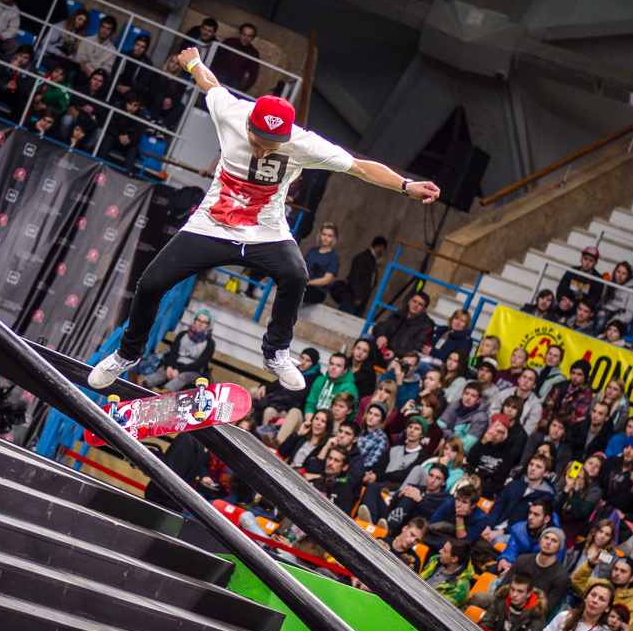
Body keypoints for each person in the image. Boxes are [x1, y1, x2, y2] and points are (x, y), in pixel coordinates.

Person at [87, 50, 437, 391]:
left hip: (265, 231)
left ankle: (276, 353)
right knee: (151, 283)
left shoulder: (304, 144)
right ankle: (127, 354)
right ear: (249, 124)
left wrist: (406, 185)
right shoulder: (231, 112)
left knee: (296, 275)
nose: (263, 150)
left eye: (273, 145)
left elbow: (360, 167)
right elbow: (210, 83)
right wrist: (193, 62)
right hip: (211, 225)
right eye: (259, 141)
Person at [142, 311, 214, 392]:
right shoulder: (183, 335)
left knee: (183, 377)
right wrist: (170, 366)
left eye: (204, 322)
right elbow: (173, 352)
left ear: (208, 325)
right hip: (175, 364)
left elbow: (200, 363)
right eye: (199, 320)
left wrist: (179, 370)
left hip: (193, 371)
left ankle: (164, 393)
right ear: (194, 321)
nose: (200, 324)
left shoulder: (210, 343)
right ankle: (142, 383)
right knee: (163, 372)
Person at [478, 571, 546, 631]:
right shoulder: (501, 600)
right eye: (512, 589)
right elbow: (486, 623)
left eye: (520, 591)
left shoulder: (536, 614)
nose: (514, 594)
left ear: (528, 594)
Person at [373, 291, 436, 363]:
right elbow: (381, 326)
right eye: (414, 301)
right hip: (384, 348)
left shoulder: (427, 325)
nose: (416, 305)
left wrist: (394, 353)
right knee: (367, 338)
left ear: (424, 309)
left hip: (400, 357)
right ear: (409, 301)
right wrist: (381, 336)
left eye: (420, 304)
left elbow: (416, 347)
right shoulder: (399, 313)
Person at [331, 235, 385, 316]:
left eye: (383, 248)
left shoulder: (374, 262)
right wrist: (357, 296)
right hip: (352, 298)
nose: (382, 251)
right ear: (376, 246)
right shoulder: (363, 258)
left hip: (361, 301)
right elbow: (354, 277)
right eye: (380, 247)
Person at [0, 44, 36, 122]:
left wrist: (18, 76)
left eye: (26, 58)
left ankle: (12, 125)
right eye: (20, 55)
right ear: (16, 54)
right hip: (1, 89)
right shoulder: (6, 59)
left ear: (29, 60)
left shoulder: (32, 70)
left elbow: (26, 90)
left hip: (14, 95)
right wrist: (5, 85)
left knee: (23, 101)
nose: (21, 59)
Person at [420, 538, 474, 606]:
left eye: (445, 551)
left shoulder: (461, 586)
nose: (440, 551)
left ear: (454, 559)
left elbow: (439, 606)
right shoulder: (435, 560)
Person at [554, 246, 604, 318]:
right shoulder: (572, 270)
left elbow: (593, 301)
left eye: (591, 261)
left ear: (595, 263)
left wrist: (573, 304)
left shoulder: (598, 279)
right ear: (581, 258)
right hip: (565, 303)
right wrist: (563, 300)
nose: (587, 263)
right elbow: (560, 289)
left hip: (580, 309)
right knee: (554, 303)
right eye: (585, 259)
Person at [210, 23, 260, 93]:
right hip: (219, 76)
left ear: (253, 38)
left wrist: (241, 90)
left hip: (234, 82)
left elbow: (253, 76)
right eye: (244, 34)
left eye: (249, 36)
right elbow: (216, 58)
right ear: (240, 33)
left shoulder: (253, 53)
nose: (245, 38)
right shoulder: (229, 42)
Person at [75, 15, 118, 88]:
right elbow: (80, 59)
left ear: (112, 32)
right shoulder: (87, 40)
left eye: (108, 29)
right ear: (99, 27)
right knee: (80, 77)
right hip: (82, 73)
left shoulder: (113, 50)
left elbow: (107, 70)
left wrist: (93, 76)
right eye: (103, 27)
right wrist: (88, 71)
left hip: (98, 79)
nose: (104, 30)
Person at [302, 223, 339, 305]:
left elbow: (327, 280)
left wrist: (308, 283)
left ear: (334, 239)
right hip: (303, 285)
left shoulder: (333, 257)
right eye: (324, 234)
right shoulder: (313, 251)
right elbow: (302, 267)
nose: (326, 238)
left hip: (318, 290)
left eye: (329, 236)